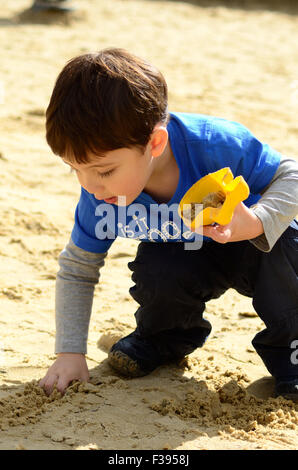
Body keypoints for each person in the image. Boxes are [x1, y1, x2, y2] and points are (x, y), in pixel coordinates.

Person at [38, 48, 298, 401]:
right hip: (187, 251)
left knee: (286, 258)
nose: (89, 186)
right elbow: (78, 267)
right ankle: (162, 340)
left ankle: (293, 359)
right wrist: (70, 353)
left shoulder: (215, 144)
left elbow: (291, 175)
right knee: (158, 268)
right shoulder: (100, 197)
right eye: (74, 168)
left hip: (257, 244)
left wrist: (257, 222)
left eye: (104, 171)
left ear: (155, 143)